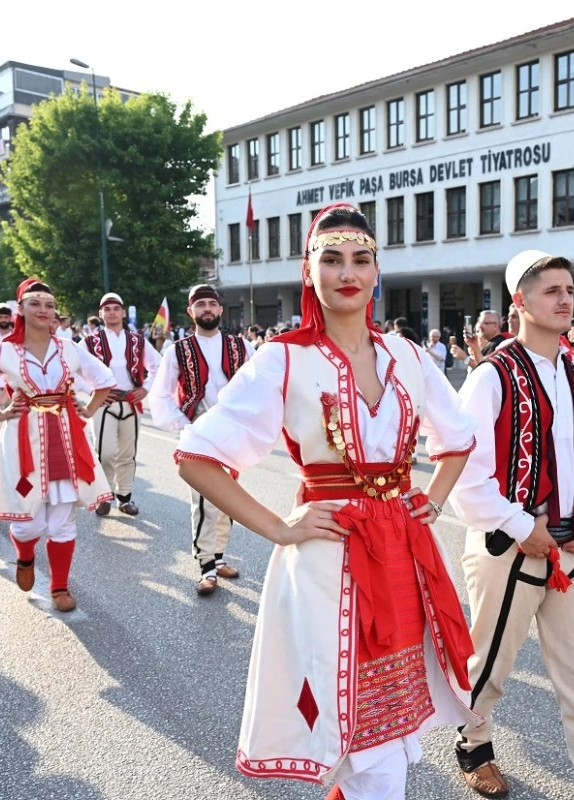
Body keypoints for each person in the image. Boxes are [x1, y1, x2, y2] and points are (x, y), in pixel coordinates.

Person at [175, 204, 478, 798]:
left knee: (384, 728)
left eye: (361, 260)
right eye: (331, 259)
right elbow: (196, 456)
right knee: (351, 727)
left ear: (377, 270)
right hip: (327, 556)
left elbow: (459, 439)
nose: (348, 272)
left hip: (402, 550)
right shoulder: (282, 358)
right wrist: (280, 527)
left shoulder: (409, 357)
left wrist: (434, 500)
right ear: (308, 270)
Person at [450, 249, 574, 800]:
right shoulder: (491, 376)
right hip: (507, 546)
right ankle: (474, 744)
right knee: (489, 666)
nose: (566, 299)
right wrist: (518, 524)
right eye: (551, 291)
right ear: (519, 302)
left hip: (571, 545)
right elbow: (460, 469)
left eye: (569, 290)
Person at [0, 279, 117, 613]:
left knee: (63, 520)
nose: (43, 310)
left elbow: (105, 380)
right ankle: (25, 557)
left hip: (67, 436)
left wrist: (90, 408)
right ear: (21, 309)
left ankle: (59, 586)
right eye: (35, 303)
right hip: (22, 438)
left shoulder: (69, 347)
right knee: (28, 522)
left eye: (49, 304)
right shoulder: (5, 351)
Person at [149, 284, 254, 596]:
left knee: (228, 498)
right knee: (205, 501)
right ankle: (206, 566)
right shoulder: (177, 350)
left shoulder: (242, 346)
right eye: (200, 305)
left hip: (232, 432)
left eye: (212, 304)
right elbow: (161, 393)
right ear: (190, 311)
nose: (207, 309)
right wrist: (184, 423)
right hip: (198, 431)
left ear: (220, 310)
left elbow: (258, 385)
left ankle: (218, 556)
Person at [78, 292, 161, 517]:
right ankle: (104, 495)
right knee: (105, 453)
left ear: (124, 312)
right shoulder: (88, 342)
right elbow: (72, 370)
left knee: (128, 453)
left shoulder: (138, 341)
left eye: (116, 308)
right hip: (104, 403)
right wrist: (93, 391)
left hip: (130, 401)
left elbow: (158, 366)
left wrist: (146, 388)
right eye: (107, 309)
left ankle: (125, 497)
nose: (112, 313)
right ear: (100, 313)